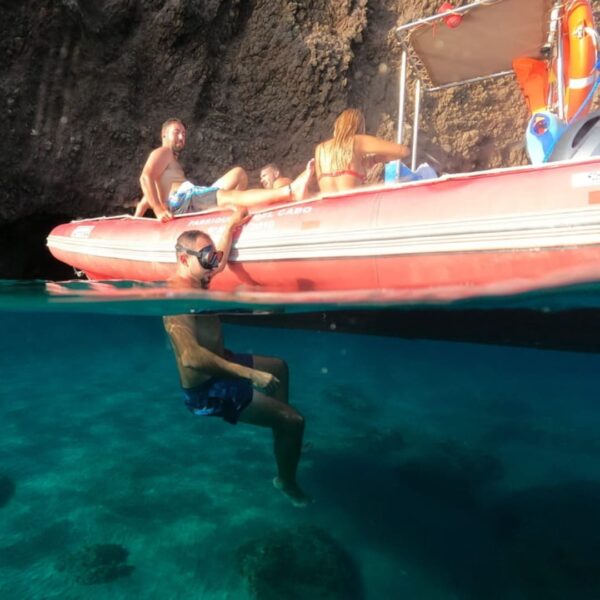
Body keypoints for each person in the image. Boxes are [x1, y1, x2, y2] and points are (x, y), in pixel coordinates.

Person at [163, 208, 311, 507]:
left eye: (213, 256)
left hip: (221, 362)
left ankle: (281, 434)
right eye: (207, 258)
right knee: (294, 421)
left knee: (279, 367)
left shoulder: (199, 279)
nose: (214, 263)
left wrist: (231, 225)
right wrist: (251, 375)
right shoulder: (176, 297)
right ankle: (286, 480)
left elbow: (218, 260)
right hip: (206, 389)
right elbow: (191, 357)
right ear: (183, 259)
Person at [136, 118, 312, 221]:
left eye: (184, 133)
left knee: (237, 180)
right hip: (185, 198)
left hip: (187, 198)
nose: (182, 137)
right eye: (177, 132)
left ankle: (231, 210)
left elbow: (148, 195)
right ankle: (289, 192)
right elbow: (146, 178)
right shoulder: (163, 152)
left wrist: (135, 219)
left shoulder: (169, 163)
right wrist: (158, 210)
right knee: (231, 197)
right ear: (164, 135)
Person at [314, 108, 410, 193]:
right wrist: (374, 159)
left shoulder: (320, 149)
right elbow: (403, 151)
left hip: (327, 208)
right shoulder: (357, 141)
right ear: (359, 128)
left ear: (337, 127)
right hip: (351, 206)